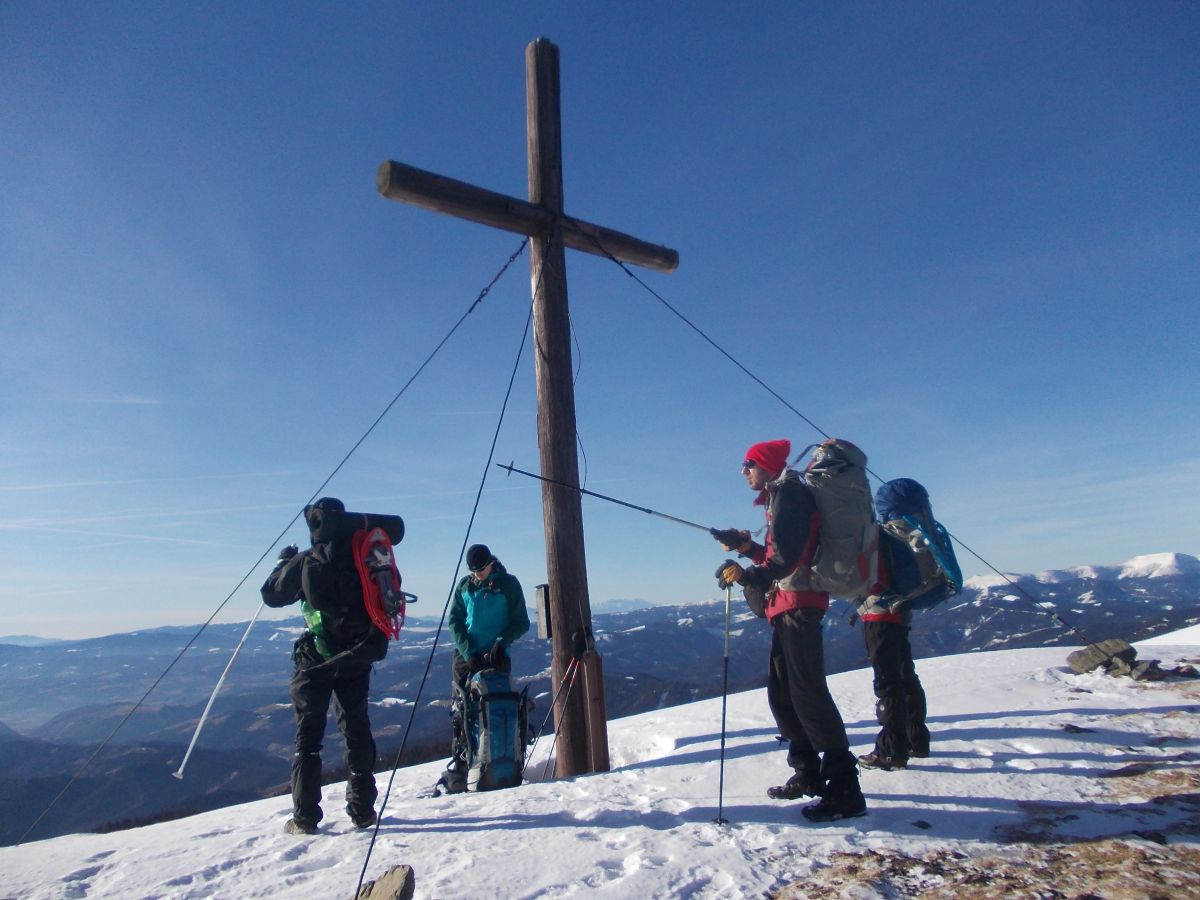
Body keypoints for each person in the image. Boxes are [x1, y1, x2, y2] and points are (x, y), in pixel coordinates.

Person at [714, 439, 867, 822]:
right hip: (787, 604)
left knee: (807, 693)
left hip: (800, 604)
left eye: (749, 463)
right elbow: (782, 552)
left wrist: (753, 573)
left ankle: (845, 787)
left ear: (766, 465)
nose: (743, 471)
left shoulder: (790, 496)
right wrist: (747, 548)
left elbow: (787, 557)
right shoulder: (779, 497)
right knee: (784, 693)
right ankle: (808, 772)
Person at [261, 497, 389, 835]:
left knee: (309, 738)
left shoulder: (305, 562)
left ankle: (305, 817)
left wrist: (283, 562)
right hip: (356, 657)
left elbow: (271, 594)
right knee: (357, 730)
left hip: (315, 659)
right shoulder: (365, 558)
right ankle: (362, 811)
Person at [443, 543, 530, 788]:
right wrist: (467, 650)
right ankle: (463, 765)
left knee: (496, 708)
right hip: (466, 656)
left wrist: (502, 642)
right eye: (473, 571)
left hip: (497, 656)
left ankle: (502, 761)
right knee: (461, 712)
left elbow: (521, 621)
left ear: (491, 562)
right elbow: (455, 622)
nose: (477, 575)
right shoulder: (465, 586)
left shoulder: (508, 584)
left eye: (481, 570)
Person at [852, 549, 931, 770]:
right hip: (900, 611)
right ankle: (916, 740)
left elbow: (872, 579)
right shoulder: (896, 533)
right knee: (905, 675)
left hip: (879, 613)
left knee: (888, 682)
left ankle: (891, 751)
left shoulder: (872, 537)